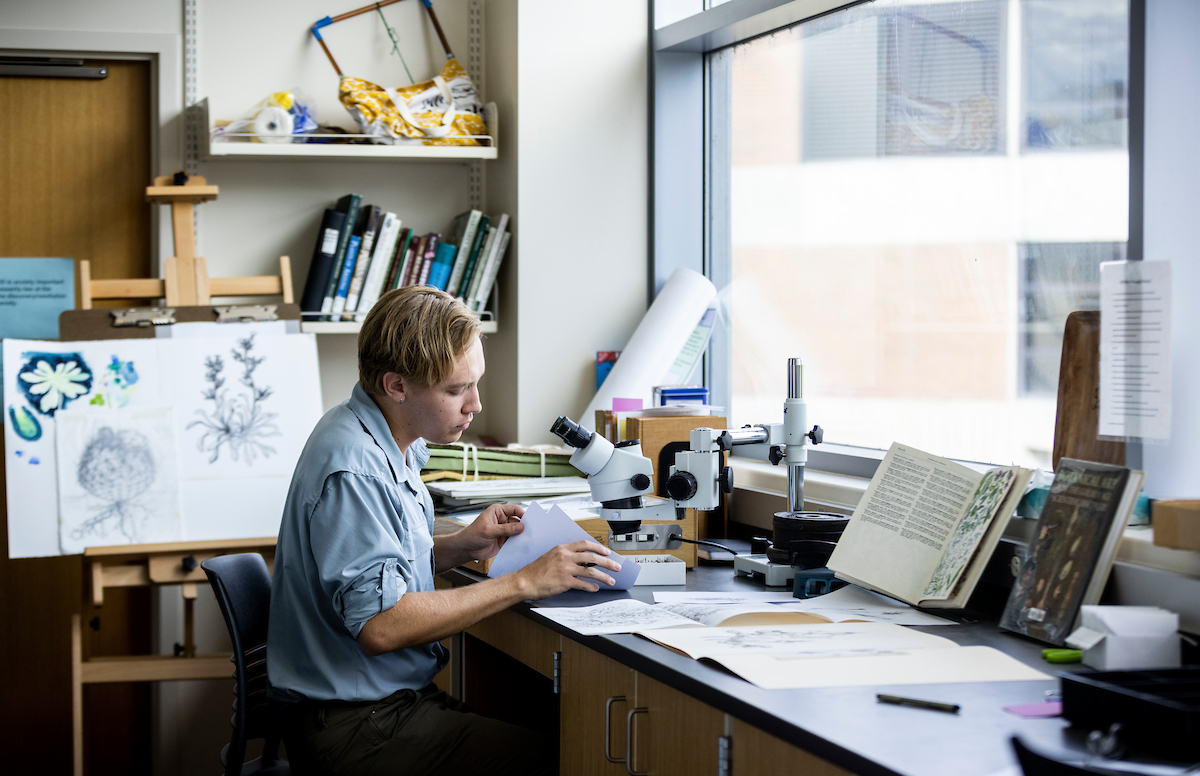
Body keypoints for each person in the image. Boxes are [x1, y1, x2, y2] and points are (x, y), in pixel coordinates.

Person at [267, 285, 621, 776]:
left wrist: (459, 547)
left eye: (475, 383)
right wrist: (524, 581)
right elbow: (381, 624)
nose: (474, 404)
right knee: (573, 760)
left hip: (378, 707)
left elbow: (371, 569)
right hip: (358, 729)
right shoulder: (357, 469)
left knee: (544, 728)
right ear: (396, 386)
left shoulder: (380, 436)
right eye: (456, 390)